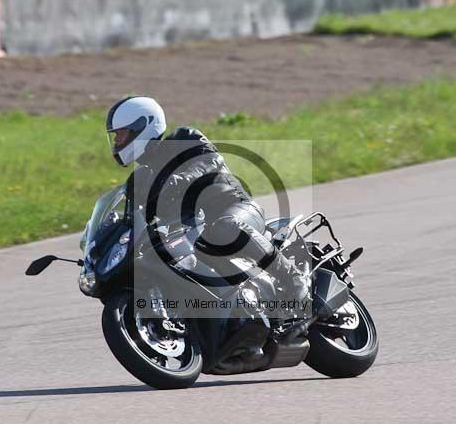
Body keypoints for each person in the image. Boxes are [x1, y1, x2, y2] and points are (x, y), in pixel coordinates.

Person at [105, 95, 307, 305]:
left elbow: (209, 162)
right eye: (116, 136)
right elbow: (131, 217)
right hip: (194, 235)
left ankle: (292, 277)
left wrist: (181, 178)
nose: (117, 141)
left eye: (121, 134)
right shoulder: (140, 179)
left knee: (223, 227)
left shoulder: (184, 138)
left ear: (142, 126)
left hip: (234, 207)